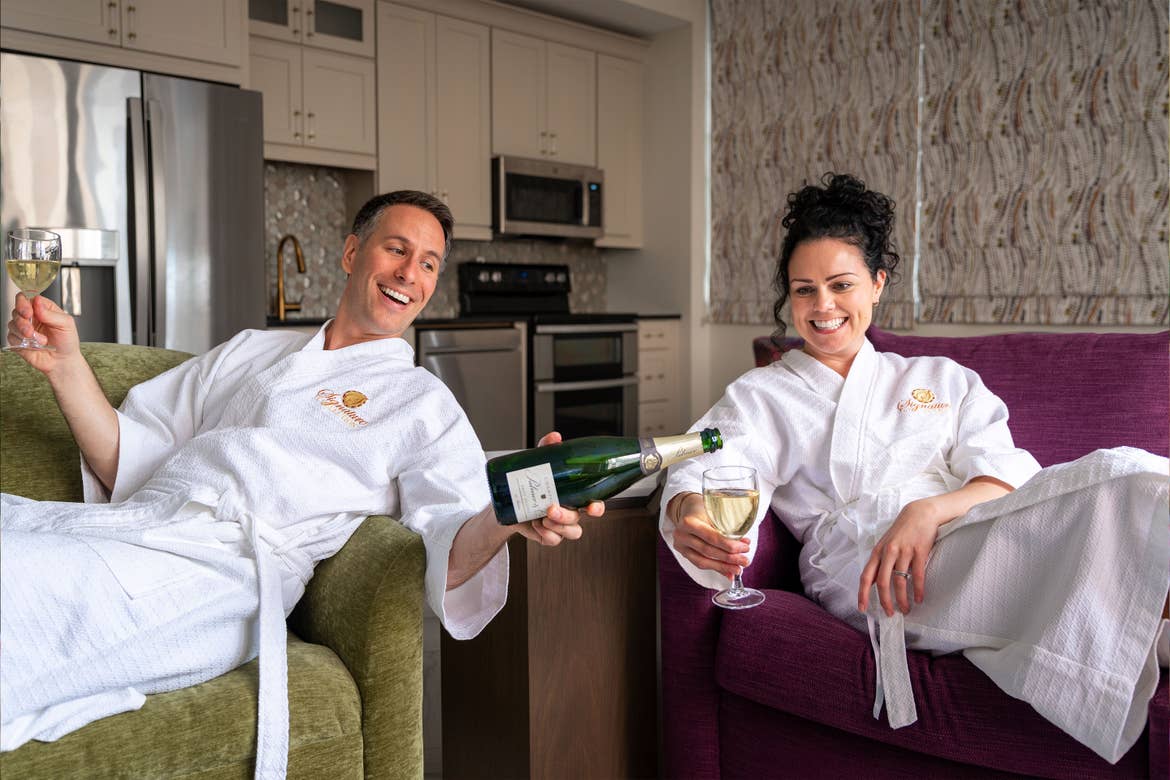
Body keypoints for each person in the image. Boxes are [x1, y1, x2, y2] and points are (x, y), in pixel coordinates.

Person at [0, 190, 601, 777]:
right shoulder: (252, 351)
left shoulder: (422, 404)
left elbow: (450, 543)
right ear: (350, 254)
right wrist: (66, 368)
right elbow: (133, 461)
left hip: (224, 576)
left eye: (427, 263)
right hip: (142, 532)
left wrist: (506, 513)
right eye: (396, 249)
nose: (409, 275)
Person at [660, 173, 1169, 764]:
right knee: (1127, 486)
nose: (822, 307)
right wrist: (690, 510)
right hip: (873, 566)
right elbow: (706, 463)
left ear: (876, 285)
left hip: (966, 525)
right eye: (804, 290)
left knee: (1130, 484)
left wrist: (927, 510)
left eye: (840, 284)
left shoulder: (940, 379)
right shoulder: (762, 395)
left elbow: (1005, 475)